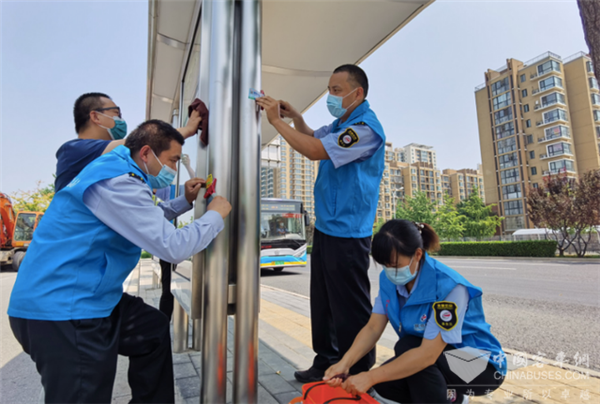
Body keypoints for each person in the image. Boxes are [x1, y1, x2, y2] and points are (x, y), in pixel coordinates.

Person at [7, 120, 232, 403]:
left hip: (90, 297)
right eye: (173, 160)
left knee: (152, 329)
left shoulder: (118, 171)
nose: (175, 169)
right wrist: (215, 215)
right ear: (146, 153)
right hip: (62, 309)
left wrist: (184, 201)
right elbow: (173, 247)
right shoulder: (118, 181)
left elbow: (141, 220)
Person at [257, 64, 385, 382]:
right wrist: (295, 118)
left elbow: (315, 150)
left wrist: (275, 121)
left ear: (358, 93)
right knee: (324, 301)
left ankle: (357, 370)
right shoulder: (341, 124)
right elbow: (314, 136)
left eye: (336, 90)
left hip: (349, 233)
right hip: (328, 228)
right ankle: (325, 360)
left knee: (349, 306)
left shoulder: (364, 129)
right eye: (329, 89)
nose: (331, 96)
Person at [323, 220, 507, 404]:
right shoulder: (388, 280)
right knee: (384, 385)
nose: (389, 271)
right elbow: (372, 328)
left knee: (407, 349)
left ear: (418, 254)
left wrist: (369, 377)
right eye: (384, 265)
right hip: (438, 358)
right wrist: (344, 363)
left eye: (394, 265)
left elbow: (428, 354)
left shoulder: (449, 287)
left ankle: (449, 398)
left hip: (481, 367)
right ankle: (451, 396)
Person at [54, 92, 201, 192]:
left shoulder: (112, 162)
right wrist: (187, 129)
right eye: (116, 113)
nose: (121, 120)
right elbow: (147, 141)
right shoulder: (73, 150)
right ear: (96, 117)